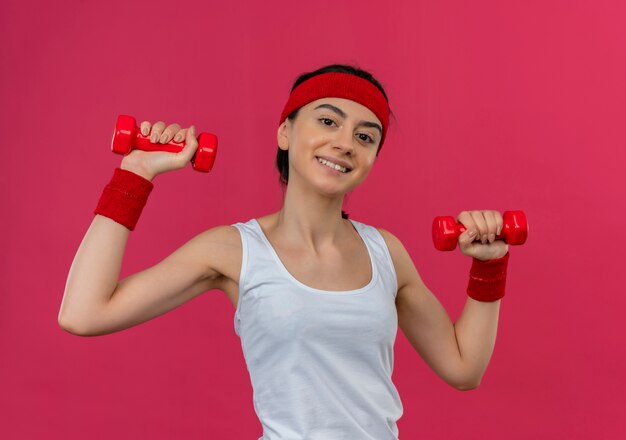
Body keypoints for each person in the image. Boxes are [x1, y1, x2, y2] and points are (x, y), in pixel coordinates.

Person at [59, 64, 510, 440]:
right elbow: (84, 313)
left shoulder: (385, 252)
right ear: (285, 132)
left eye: (366, 136)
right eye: (328, 121)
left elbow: (463, 367)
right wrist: (135, 174)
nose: (345, 143)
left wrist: (489, 267)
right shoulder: (234, 250)